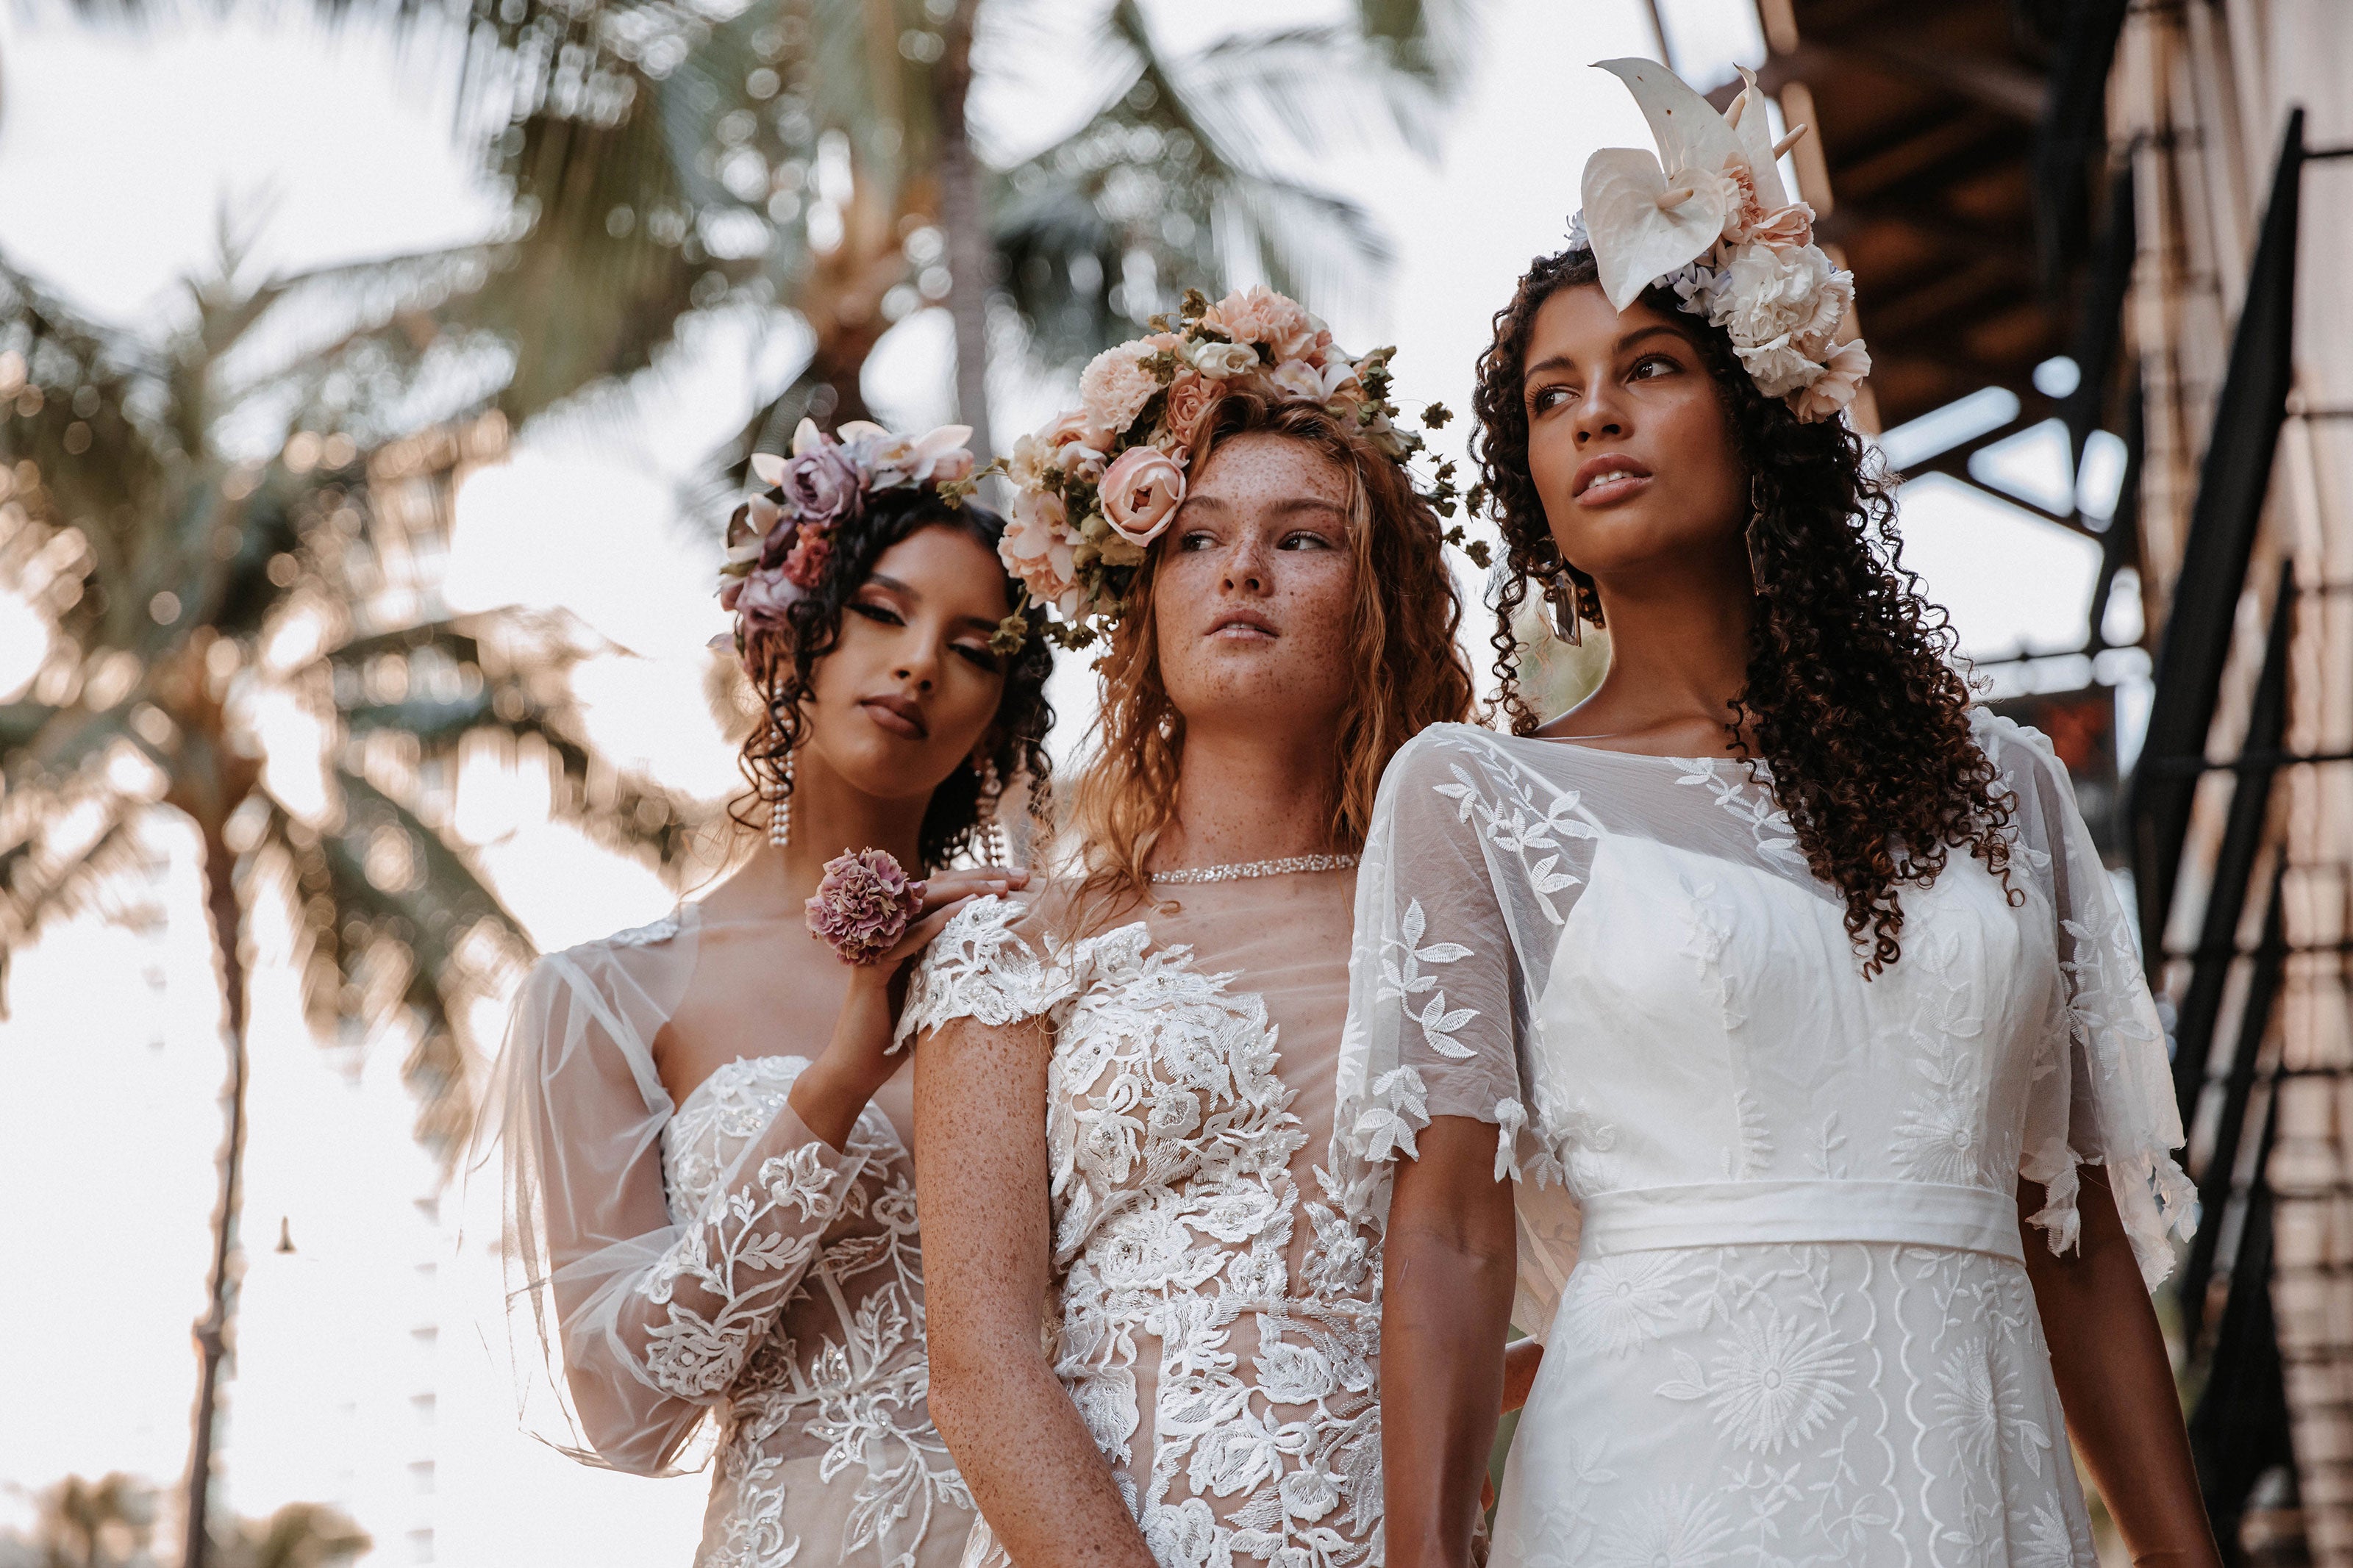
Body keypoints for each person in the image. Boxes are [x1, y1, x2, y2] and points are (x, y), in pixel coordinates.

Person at [1341, 61, 2220, 1568]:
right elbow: (1450, 1233)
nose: (1594, 417)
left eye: (1649, 368)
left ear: (1761, 404)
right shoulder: (1476, 795)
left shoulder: (2000, 785)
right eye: (1552, 396)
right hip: (1658, 1483)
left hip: (1975, 1471)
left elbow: (2067, 1243)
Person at [896, 287, 1479, 1568]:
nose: (1245, 571)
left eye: (1305, 540)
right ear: (1143, 605)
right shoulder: (1017, 948)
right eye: (1196, 538)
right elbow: (980, 1364)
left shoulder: (1462, 924)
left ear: (1377, 596)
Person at [488, 420, 1054, 1568]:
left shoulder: (1047, 961)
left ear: (998, 715)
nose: (920, 664)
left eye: (975, 647)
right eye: (885, 614)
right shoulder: (602, 996)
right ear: (792, 639)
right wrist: (836, 1084)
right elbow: (625, 1408)